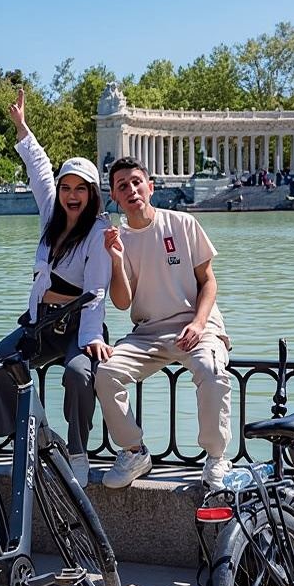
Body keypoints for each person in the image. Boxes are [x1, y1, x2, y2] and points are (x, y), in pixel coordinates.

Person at [0, 89, 110, 484]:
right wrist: (23, 129)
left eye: (80, 189)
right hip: (42, 322)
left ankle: (77, 450)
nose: (71, 195)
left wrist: (91, 336)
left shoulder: (98, 231)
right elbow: (40, 169)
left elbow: (96, 291)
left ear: (91, 193)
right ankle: (33, 434)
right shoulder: (49, 214)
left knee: (78, 374)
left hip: (78, 325)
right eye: (66, 187)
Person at [95, 156, 233, 491]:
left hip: (196, 326)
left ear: (150, 187)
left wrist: (200, 324)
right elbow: (123, 302)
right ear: (114, 196)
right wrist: (115, 259)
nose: (131, 190)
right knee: (105, 373)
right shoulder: (117, 239)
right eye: (122, 186)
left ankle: (216, 458)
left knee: (211, 371)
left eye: (136, 182)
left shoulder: (182, 223)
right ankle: (134, 450)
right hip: (147, 332)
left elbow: (209, 282)